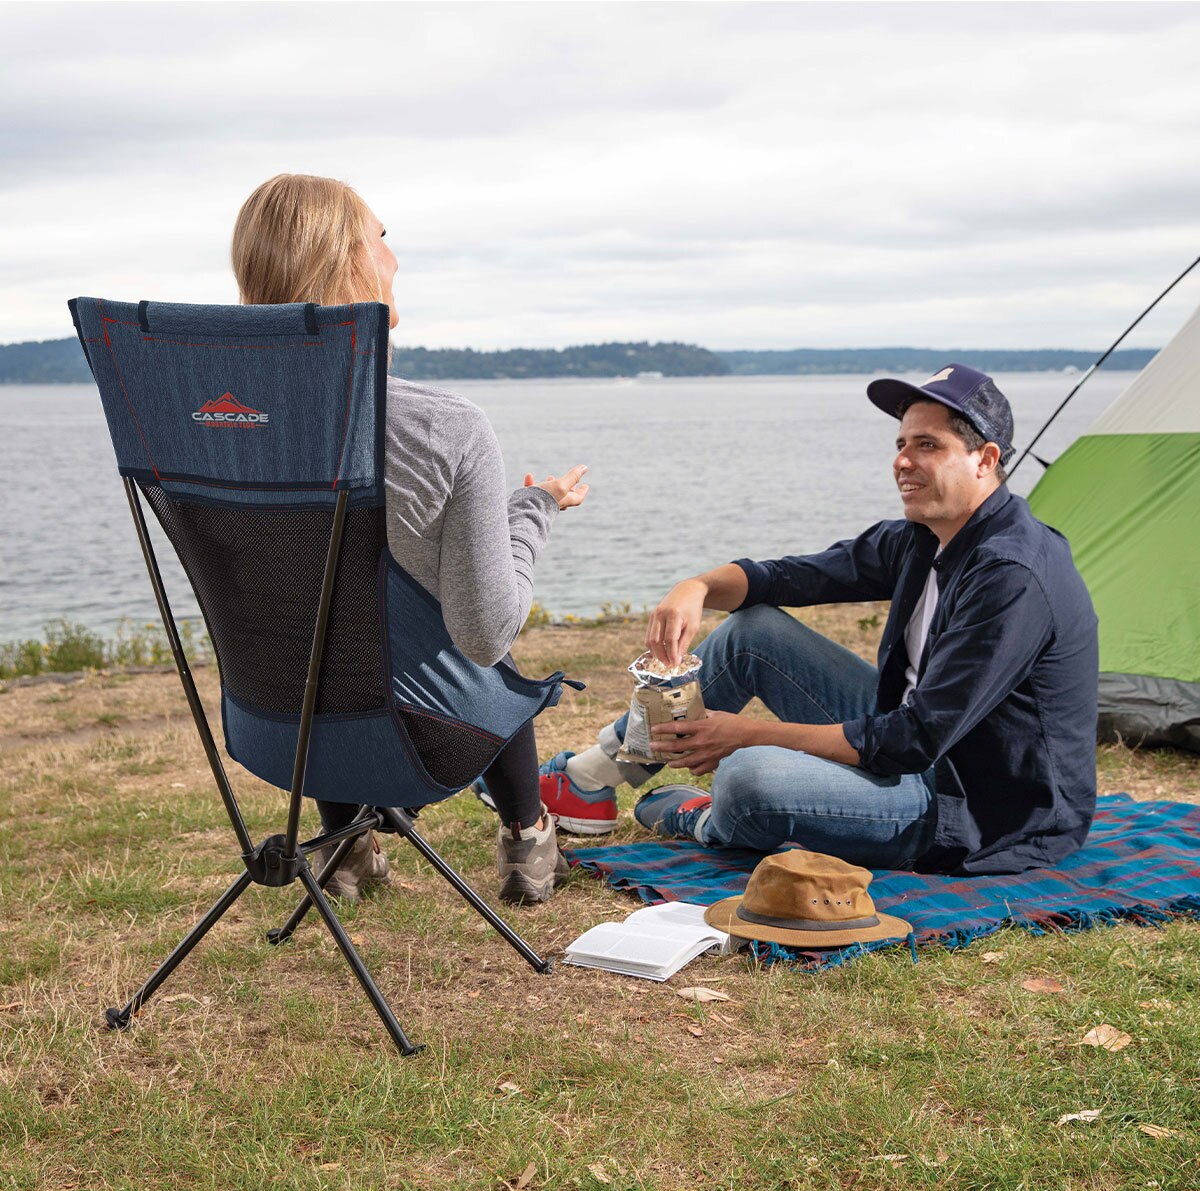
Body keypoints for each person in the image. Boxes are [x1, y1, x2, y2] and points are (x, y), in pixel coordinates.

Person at [540, 365, 1099, 875]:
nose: (903, 460)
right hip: (908, 747)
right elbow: (787, 578)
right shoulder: (922, 537)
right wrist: (697, 587)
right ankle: (589, 779)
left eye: (928, 445)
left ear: (986, 459)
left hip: (973, 803)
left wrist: (749, 736)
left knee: (749, 776)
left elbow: (914, 740)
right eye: (901, 443)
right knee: (751, 634)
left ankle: (708, 819)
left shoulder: (1011, 574)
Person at [232, 173, 589, 903]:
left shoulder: (220, 430)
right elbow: (486, 633)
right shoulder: (444, 428)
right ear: (349, 265)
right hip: (417, 743)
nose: (395, 260)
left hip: (272, 735)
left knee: (322, 613)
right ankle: (527, 837)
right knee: (482, 631)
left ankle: (348, 848)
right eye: (383, 239)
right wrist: (531, 511)